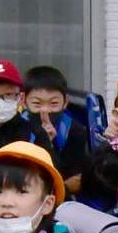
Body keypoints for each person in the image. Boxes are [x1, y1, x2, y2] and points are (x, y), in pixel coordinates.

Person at [21, 65, 90, 196]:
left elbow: (73, 177)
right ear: (24, 102)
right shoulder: (17, 127)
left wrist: (50, 145)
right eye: (37, 104)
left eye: (53, 104)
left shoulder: (74, 130)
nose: (45, 110)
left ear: (65, 103)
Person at [0, 59, 51, 158]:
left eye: (8, 94)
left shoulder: (34, 134)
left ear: (21, 98)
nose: (1, 102)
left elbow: (51, 171)